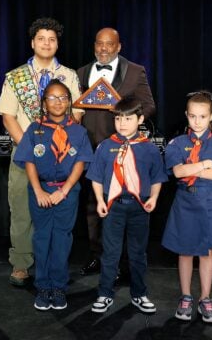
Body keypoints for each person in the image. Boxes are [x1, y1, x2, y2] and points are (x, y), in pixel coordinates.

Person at [0, 17, 84, 286]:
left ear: (57, 44)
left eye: (52, 39)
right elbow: (8, 117)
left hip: (60, 156)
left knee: (57, 211)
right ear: (33, 43)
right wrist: (30, 148)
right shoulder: (15, 77)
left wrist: (55, 145)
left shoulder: (69, 76)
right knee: (21, 209)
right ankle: (21, 263)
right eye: (41, 39)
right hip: (25, 154)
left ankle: (54, 264)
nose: (47, 43)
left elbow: (77, 114)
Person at [76, 28, 156, 277]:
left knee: (123, 204)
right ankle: (96, 256)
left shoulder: (135, 71)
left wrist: (126, 115)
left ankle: (122, 261)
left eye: (109, 44)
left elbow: (149, 105)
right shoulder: (80, 73)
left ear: (118, 46)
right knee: (93, 204)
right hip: (90, 150)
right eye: (99, 43)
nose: (103, 48)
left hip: (123, 149)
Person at [13, 79, 93, 310]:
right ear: (43, 103)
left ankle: (58, 286)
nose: (58, 102)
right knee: (41, 238)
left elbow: (80, 162)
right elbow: (29, 160)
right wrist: (39, 190)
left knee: (61, 239)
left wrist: (64, 190)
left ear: (69, 102)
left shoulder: (78, 131)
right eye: (52, 98)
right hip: (41, 191)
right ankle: (43, 286)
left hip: (66, 192)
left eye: (63, 98)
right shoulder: (34, 129)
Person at [86, 96, 167, 314]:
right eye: (118, 118)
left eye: (128, 118)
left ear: (140, 119)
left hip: (139, 207)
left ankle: (139, 293)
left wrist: (153, 198)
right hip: (113, 207)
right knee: (110, 253)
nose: (122, 123)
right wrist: (100, 200)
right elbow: (96, 177)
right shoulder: (105, 146)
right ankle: (105, 293)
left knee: (138, 253)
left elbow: (157, 178)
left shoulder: (149, 149)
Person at [161, 90, 212, 324]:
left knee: (207, 251)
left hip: (211, 202)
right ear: (186, 115)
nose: (197, 121)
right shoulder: (177, 143)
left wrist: (191, 169)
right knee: (185, 251)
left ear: (211, 116)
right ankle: (185, 297)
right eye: (192, 116)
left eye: (203, 116)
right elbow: (177, 172)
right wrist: (204, 165)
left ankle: (205, 298)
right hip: (185, 201)